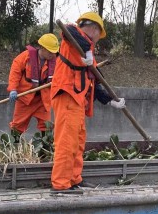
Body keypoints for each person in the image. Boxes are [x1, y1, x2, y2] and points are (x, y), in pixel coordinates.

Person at [50, 12, 125, 194]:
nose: (98, 39)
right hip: (67, 96)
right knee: (67, 141)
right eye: (100, 34)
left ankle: (74, 179)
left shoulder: (86, 52)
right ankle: (61, 184)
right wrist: (89, 52)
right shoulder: (73, 37)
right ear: (93, 28)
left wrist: (110, 101)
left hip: (77, 102)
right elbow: (67, 29)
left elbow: (96, 81)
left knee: (78, 141)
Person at [7, 33, 60, 141]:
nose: (52, 55)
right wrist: (13, 89)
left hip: (43, 100)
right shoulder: (25, 56)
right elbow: (15, 72)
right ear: (42, 48)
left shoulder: (56, 61)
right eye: (50, 52)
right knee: (17, 125)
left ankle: (45, 150)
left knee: (47, 126)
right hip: (25, 99)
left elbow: (62, 75)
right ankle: (14, 148)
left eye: (54, 52)